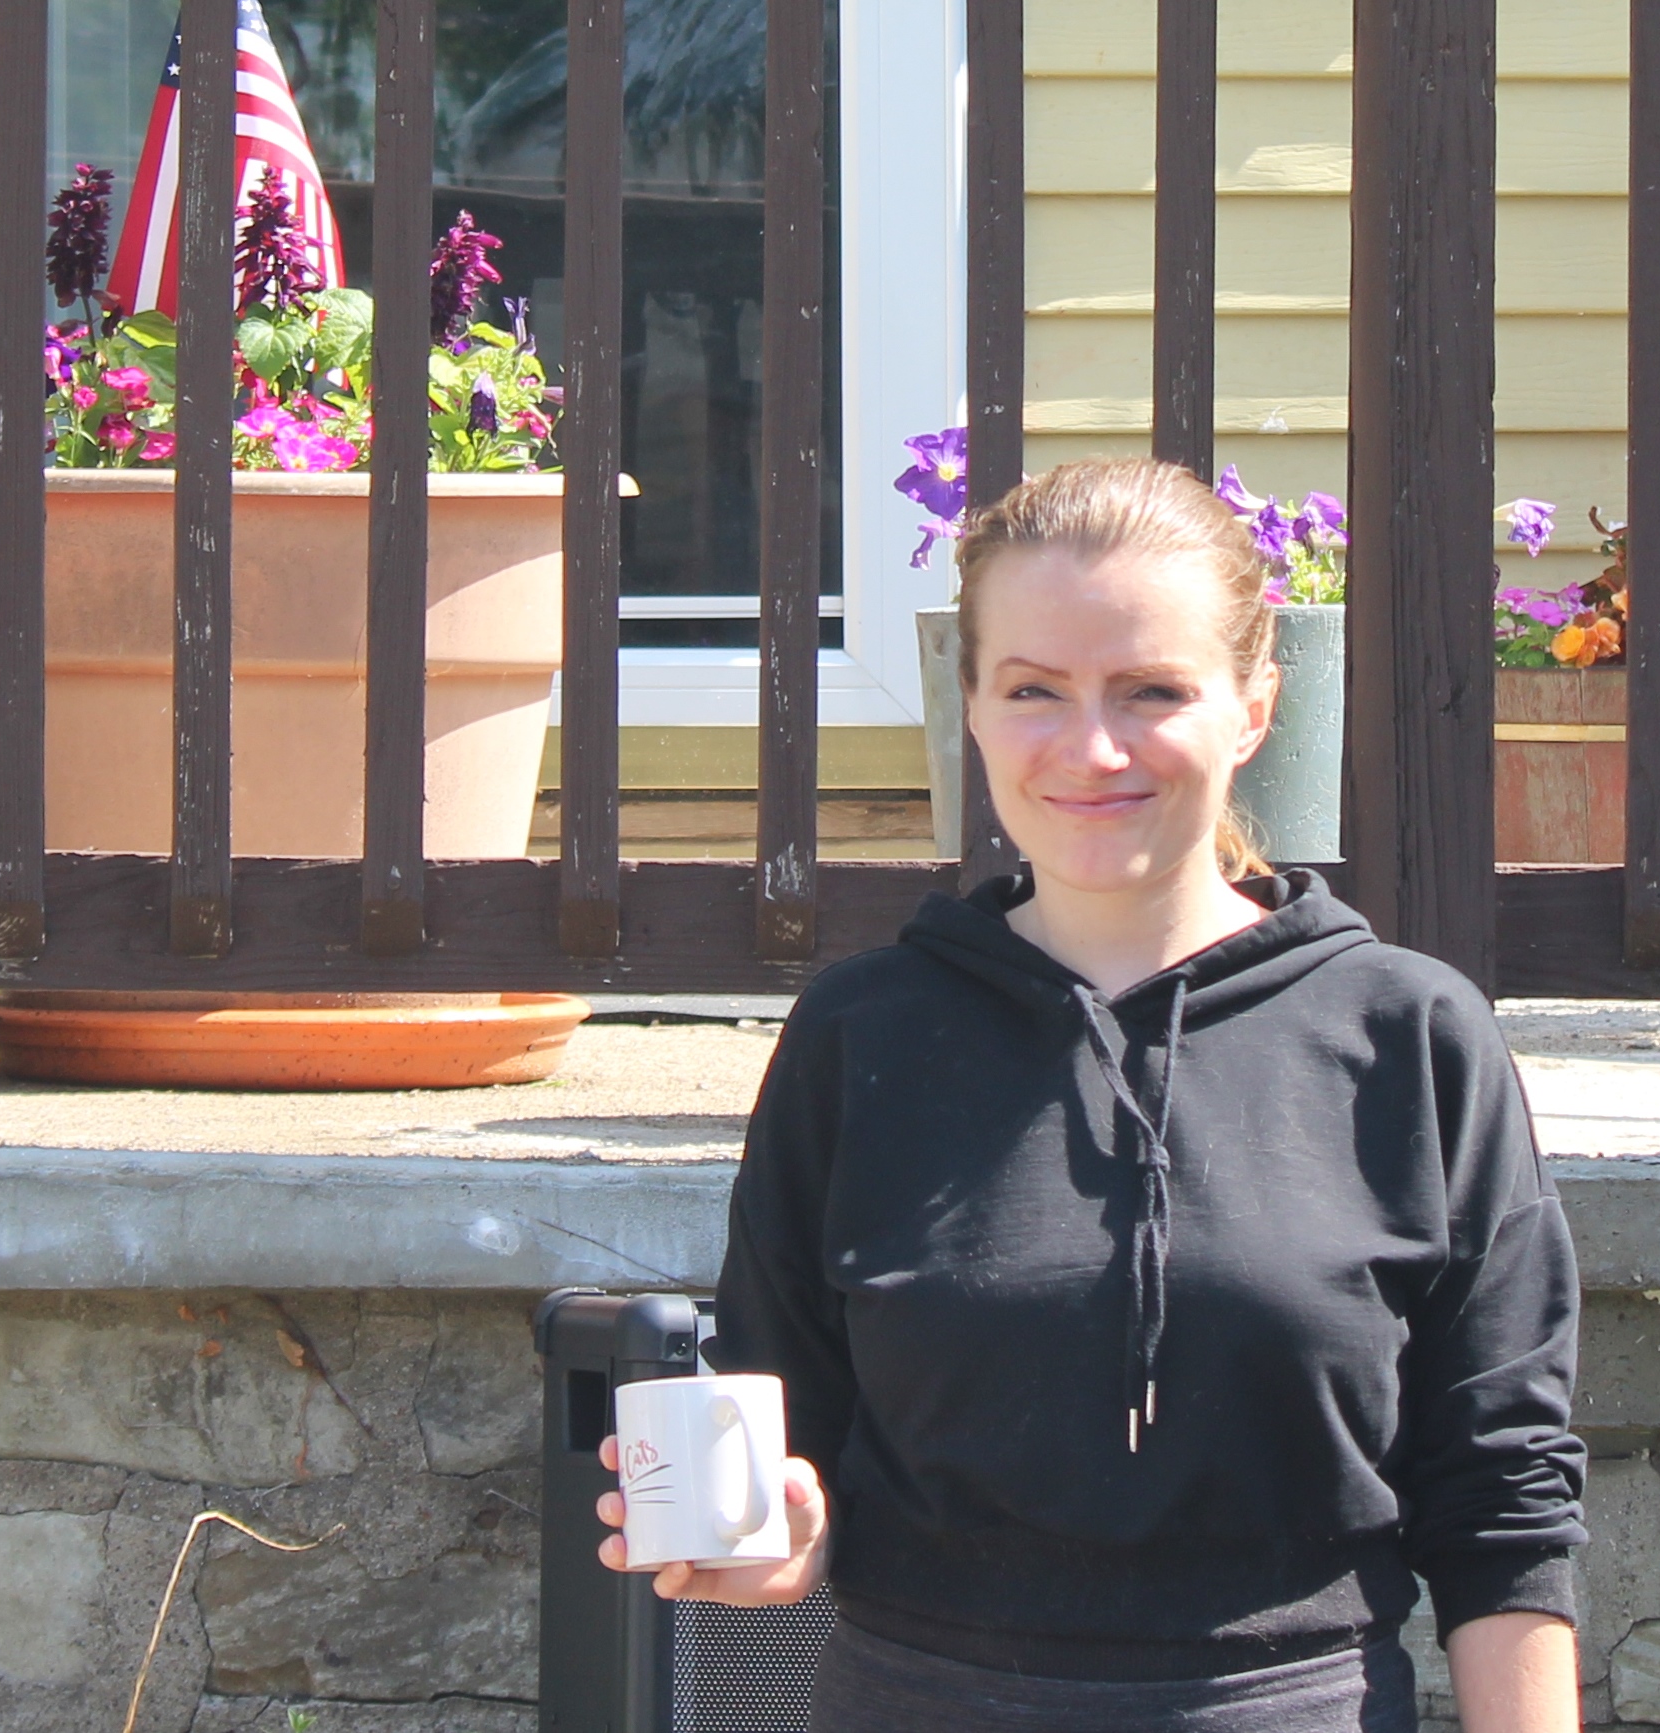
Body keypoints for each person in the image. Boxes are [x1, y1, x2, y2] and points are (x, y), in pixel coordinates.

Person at [598, 458, 1587, 1732]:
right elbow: (790, 1448)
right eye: (1034, 692)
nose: (1092, 747)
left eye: (1151, 691)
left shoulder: (1409, 1037)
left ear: (1252, 706)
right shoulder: (861, 1034)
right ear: (969, 704)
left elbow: (1502, 1495)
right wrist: (772, 1544)